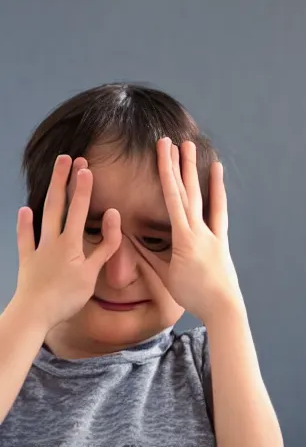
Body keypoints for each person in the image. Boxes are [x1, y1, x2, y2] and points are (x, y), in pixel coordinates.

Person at [0, 83, 283, 447]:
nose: (118, 276)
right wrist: (32, 307)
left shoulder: (208, 368)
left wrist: (225, 305)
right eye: (90, 230)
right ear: (39, 230)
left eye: (155, 241)